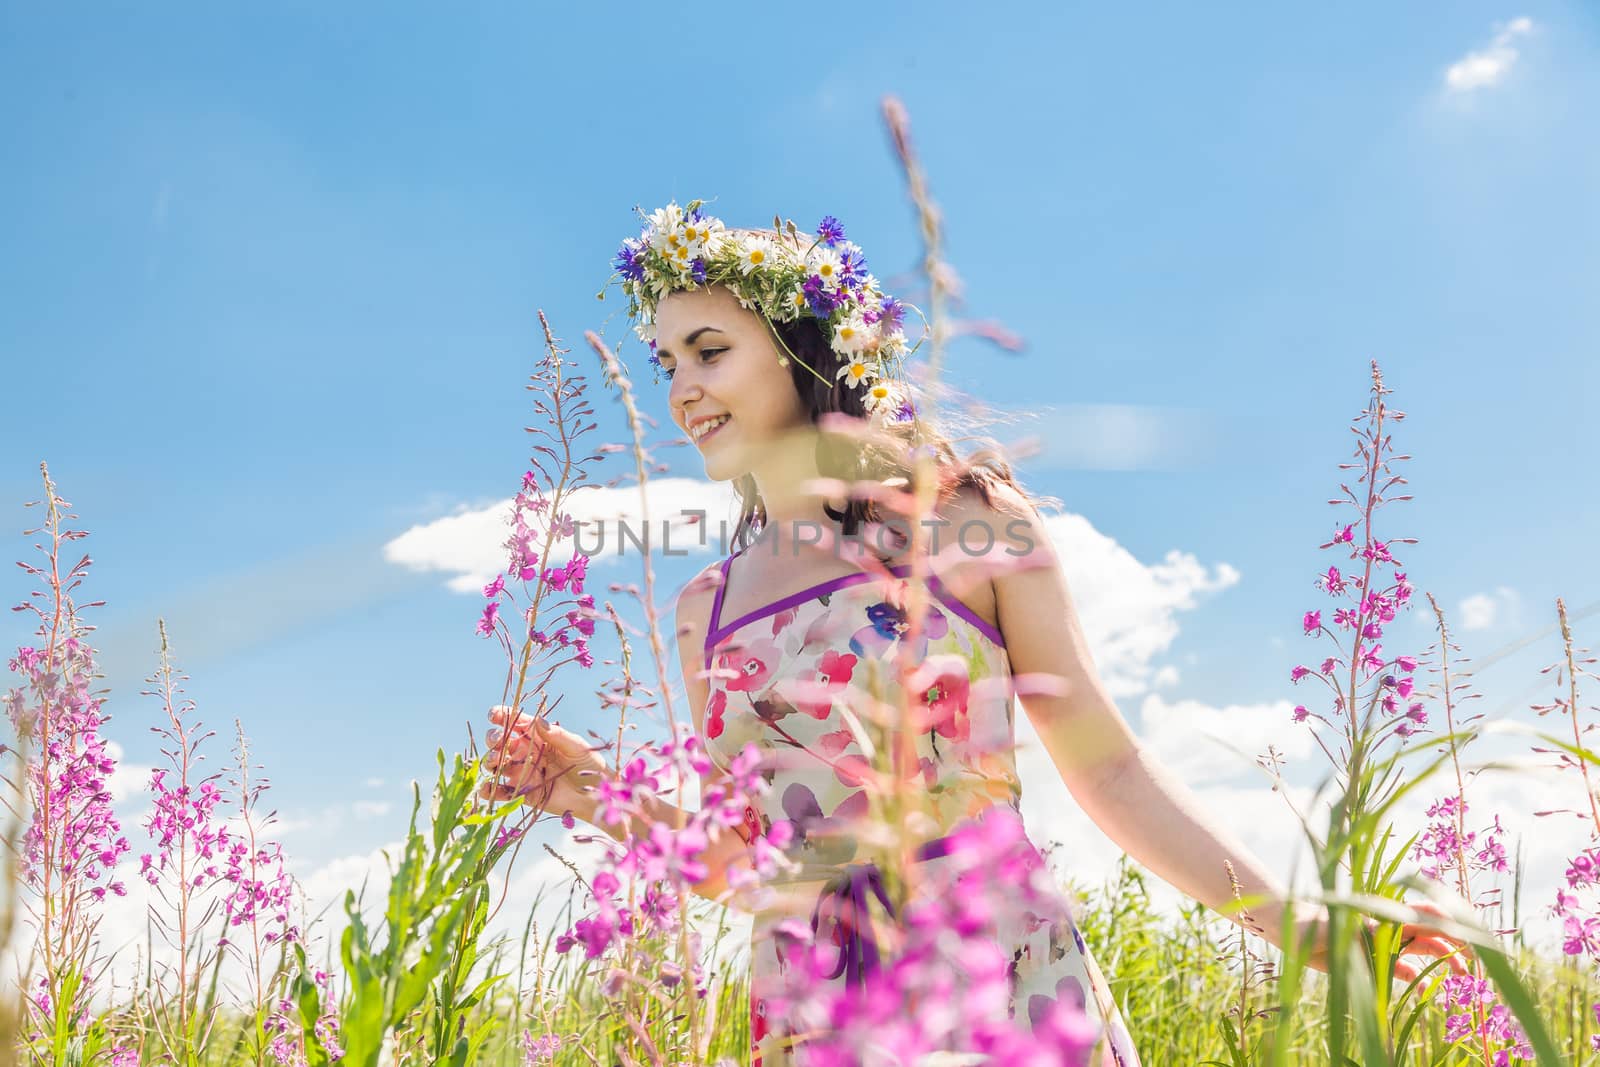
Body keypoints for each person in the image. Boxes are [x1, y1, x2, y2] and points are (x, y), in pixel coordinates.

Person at [479, 203, 1472, 1065]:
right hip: (811, 1004)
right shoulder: (706, 603)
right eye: (665, 362)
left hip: (994, 972)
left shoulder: (961, 521)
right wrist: (595, 795)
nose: (681, 390)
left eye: (709, 351)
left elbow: (1110, 771)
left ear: (802, 349)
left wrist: (1302, 927)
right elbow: (753, 868)